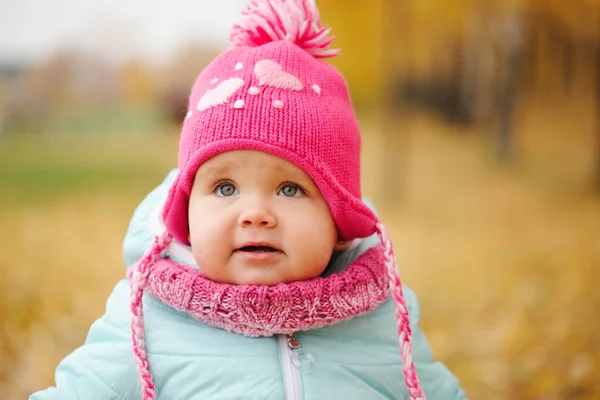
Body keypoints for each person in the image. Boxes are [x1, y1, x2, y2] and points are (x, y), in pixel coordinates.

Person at [30, 1, 466, 399]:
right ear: (186, 212)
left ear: (339, 224)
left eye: (291, 189)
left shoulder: (383, 317)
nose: (255, 214)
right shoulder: (145, 322)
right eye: (224, 188)